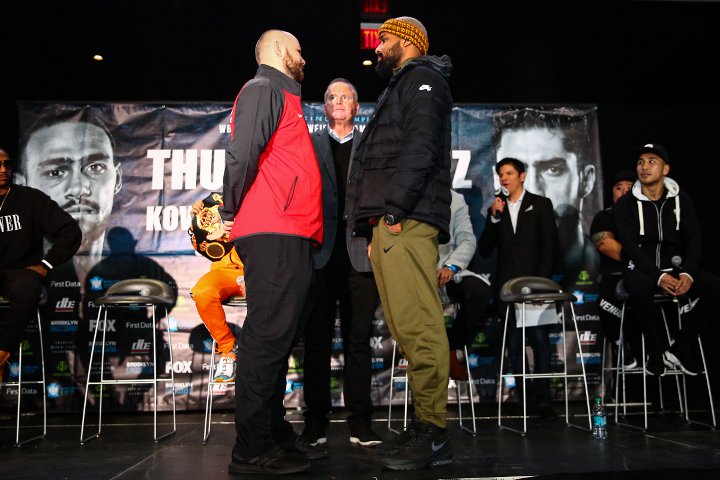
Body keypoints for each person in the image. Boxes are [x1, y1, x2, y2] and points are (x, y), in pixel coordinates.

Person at [345, 16, 454, 471]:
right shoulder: (403, 84)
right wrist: (372, 224)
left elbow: (420, 147)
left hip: (405, 219)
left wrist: (393, 210)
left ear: (408, 41)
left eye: (385, 38)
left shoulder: (424, 79)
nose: (378, 46)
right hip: (391, 223)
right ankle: (422, 423)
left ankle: (434, 432)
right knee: (405, 328)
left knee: (420, 326)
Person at [219, 30, 323, 476]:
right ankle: (251, 448)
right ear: (280, 51)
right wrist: (229, 208)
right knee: (265, 340)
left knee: (277, 341)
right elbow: (242, 153)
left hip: (291, 230)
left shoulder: (285, 96)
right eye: (298, 50)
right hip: (273, 228)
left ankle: (275, 434)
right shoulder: (263, 88)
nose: (304, 58)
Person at [300, 78, 382, 448]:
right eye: (332, 96)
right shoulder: (310, 143)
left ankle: (361, 423)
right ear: (325, 106)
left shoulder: (371, 144)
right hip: (319, 254)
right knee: (316, 342)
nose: (338, 101)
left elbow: (379, 195)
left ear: (357, 107)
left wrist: (375, 237)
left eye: (345, 96)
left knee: (358, 341)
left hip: (360, 253)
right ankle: (315, 424)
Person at [614, 143, 720, 376]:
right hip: (641, 264)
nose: (644, 166)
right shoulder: (625, 204)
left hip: (673, 265)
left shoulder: (682, 199)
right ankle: (656, 350)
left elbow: (694, 237)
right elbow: (628, 245)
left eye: (652, 161)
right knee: (638, 287)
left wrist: (688, 272)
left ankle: (681, 345)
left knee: (715, 287)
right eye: (640, 162)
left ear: (665, 169)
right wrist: (658, 277)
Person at [477, 157, 557, 418]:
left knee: (540, 341)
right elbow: (485, 248)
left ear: (522, 176)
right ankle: (525, 400)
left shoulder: (541, 204)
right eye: (501, 174)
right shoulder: (496, 208)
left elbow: (550, 246)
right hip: (507, 288)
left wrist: (542, 285)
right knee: (514, 343)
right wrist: (494, 218)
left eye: (509, 173)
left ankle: (544, 401)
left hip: (536, 286)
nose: (504, 178)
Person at [0, 147, 82, 383]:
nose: (3, 170)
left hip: (20, 272)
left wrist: (46, 264)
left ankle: (2, 352)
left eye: (7, 164)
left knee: (27, 287)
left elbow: (70, 232)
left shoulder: (30, 199)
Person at [493, 108, 599, 281]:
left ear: (586, 179)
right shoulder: (499, 213)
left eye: (553, 170)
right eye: (509, 174)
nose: (533, 188)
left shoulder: (596, 267)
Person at [189, 192, 245, 383]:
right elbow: (202, 246)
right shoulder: (217, 201)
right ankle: (228, 350)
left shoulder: (261, 197)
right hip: (224, 271)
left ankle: (259, 354)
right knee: (202, 292)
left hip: (258, 269)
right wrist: (196, 222)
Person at [439, 189, 491, 381]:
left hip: (447, 269)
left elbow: (467, 239)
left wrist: (451, 266)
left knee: (478, 290)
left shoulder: (455, 199)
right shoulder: (409, 196)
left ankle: (452, 348)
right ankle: (431, 356)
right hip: (417, 273)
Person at [590, 169, 640, 367]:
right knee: (606, 300)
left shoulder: (649, 214)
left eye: (629, 187)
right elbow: (605, 245)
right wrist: (642, 259)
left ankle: (664, 348)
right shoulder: (604, 217)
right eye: (619, 188)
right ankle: (619, 343)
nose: (624, 191)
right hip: (616, 274)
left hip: (647, 275)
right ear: (612, 193)